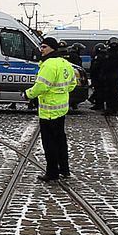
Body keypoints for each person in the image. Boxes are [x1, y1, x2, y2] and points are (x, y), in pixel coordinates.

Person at [26, 38, 79, 182]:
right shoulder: (65, 63)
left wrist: (28, 94)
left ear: (52, 48)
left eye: (44, 46)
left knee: (49, 144)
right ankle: (64, 169)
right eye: (41, 46)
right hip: (61, 109)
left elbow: (41, 87)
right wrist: (61, 92)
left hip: (48, 110)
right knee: (61, 140)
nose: (41, 49)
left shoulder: (48, 65)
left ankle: (52, 172)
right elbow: (72, 83)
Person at [92, 38, 118, 114]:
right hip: (108, 77)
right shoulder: (108, 53)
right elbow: (104, 65)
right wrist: (103, 75)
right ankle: (110, 109)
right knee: (108, 93)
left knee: (115, 93)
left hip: (115, 77)